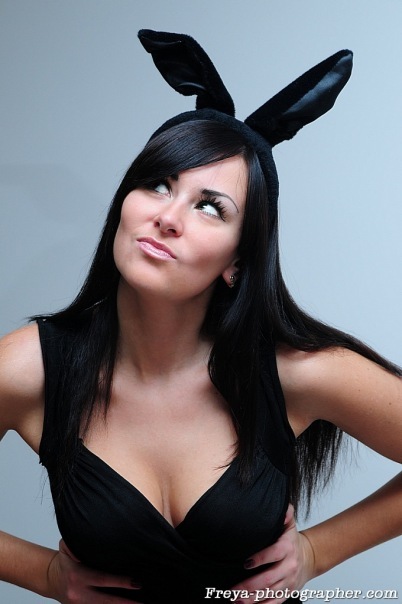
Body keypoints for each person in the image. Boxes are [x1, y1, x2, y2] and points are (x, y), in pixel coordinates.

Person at [0, 29, 401, 604]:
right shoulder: (30, 368)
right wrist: (40, 573)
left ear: (238, 261)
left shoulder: (296, 372)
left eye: (210, 207)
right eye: (157, 184)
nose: (168, 217)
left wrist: (319, 550)